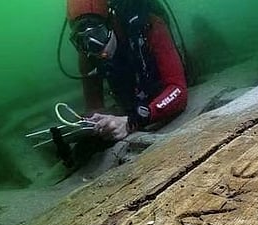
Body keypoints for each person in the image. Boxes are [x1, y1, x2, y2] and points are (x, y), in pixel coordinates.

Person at [66, 0, 188, 141]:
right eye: (81, 39)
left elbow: (178, 89)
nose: (93, 45)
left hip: (159, 86)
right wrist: (93, 123)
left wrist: (133, 120)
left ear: (111, 21)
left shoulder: (150, 25)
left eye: (98, 33)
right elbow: (94, 107)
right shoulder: (87, 53)